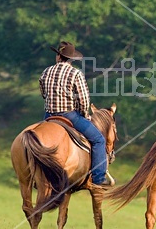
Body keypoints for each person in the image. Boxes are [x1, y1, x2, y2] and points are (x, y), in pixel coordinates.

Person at [39, 41, 111, 187]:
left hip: (48, 116)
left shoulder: (46, 71)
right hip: (69, 115)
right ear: (71, 59)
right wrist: (84, 113)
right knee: (99, 140)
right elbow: (84, 99)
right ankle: (98, 178)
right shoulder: (75, 73)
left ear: (58, 56)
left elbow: (43, 93)